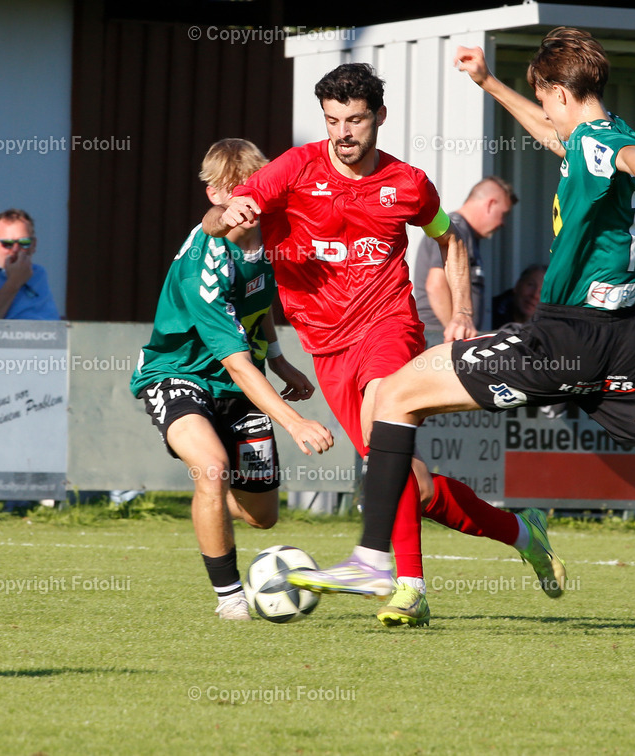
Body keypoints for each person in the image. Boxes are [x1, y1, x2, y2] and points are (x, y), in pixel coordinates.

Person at [290, 27, 635, 651]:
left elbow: (632, 161)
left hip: (563, 340)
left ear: (558, 90)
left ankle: (371, 557)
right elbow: (563, 136)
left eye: (544, 96)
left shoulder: (609, 149)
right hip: (627, 349)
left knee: (392, 395)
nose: (544, 111)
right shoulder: (600, 134)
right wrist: (490, 83)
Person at [202, 64, 565, 628]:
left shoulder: (410, 184)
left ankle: (407, 586)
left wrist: (463, 311)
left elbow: (449, 236)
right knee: (409, 483)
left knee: (381, 431)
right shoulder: (293, 169)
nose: (342, 132)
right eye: (332, 121)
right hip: (326, 348)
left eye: (354, 120)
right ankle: (522, 532)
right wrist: (229, 214)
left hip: (387, 325)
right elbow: (212, 221)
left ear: (379, 118)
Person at [130, 138, 334, 620]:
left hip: (237, 383)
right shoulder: (208, 262)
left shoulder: (269, 238)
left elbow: (257, 303)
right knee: (213, 468)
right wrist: (295, 423)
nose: (246, 203)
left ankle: (211, 499)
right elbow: (238, 363)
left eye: (252, 190)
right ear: (215, 196)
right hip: (176, 374)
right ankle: (231, 601)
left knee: (264, 518)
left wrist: (281, 360)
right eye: (233, 193)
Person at [412, 176, 517, 331]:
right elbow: (436, 285)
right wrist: (456, 333)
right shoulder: (455, 229)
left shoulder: (465, 232)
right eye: (504, 214)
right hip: (438, 335)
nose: (503, 223)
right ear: (490, 204)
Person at [491, 263, 546, 329]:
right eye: (530, 285)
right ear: (517, 285)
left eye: (542, 292)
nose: (535, 295)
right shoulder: (490, 312)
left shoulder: (550, 328)